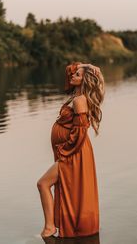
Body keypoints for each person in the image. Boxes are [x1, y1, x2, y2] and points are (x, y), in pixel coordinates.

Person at [37, 61, 105, 238]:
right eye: (74, 73)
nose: (72, 75)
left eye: (77, 75)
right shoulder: (78, 95)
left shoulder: (80, 100)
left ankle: (49, 227)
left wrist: (65, 151)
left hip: (74, 153)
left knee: (43, 183)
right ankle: (53, 226)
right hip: (73, 152)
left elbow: (80, 132)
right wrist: (88, 65)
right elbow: (70, 69)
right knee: (55, 186)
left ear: (84, 80)